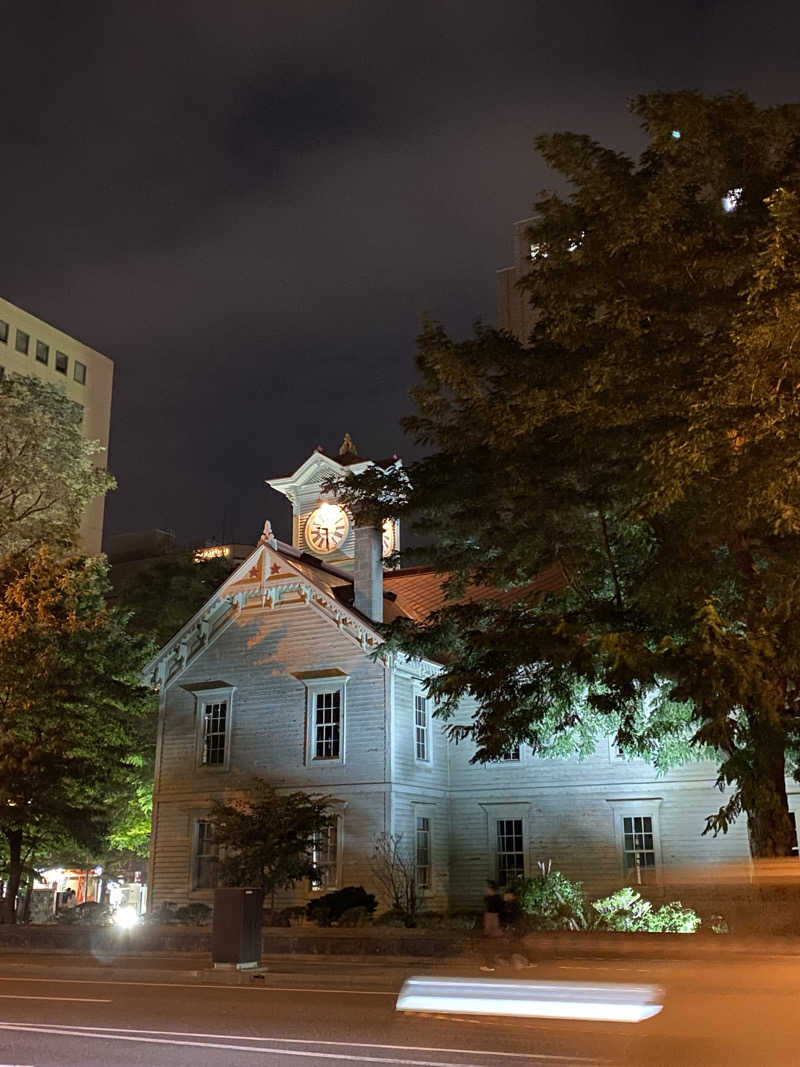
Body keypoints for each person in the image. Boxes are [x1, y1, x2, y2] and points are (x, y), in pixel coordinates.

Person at [480, 881, 504, 971]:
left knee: (490, 948)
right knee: (493, 948)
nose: (486, 890)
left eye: (487, 888)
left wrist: (487, 931)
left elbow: (491, 916)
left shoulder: (492, 901)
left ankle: (491, 965)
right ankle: (493, 964)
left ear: (491, 889)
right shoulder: (496, 899)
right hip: (495, 928)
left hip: (493, 929)